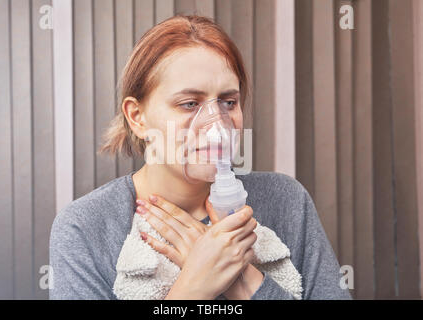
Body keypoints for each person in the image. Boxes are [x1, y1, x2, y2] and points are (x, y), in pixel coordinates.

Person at [49, 15, 352, 300]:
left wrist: (243, 279)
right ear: (137, 117)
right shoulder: (86, 228)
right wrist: (193, 288)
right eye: (190, 103)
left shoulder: (286, 202)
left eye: (228, 101)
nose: (216, 125)